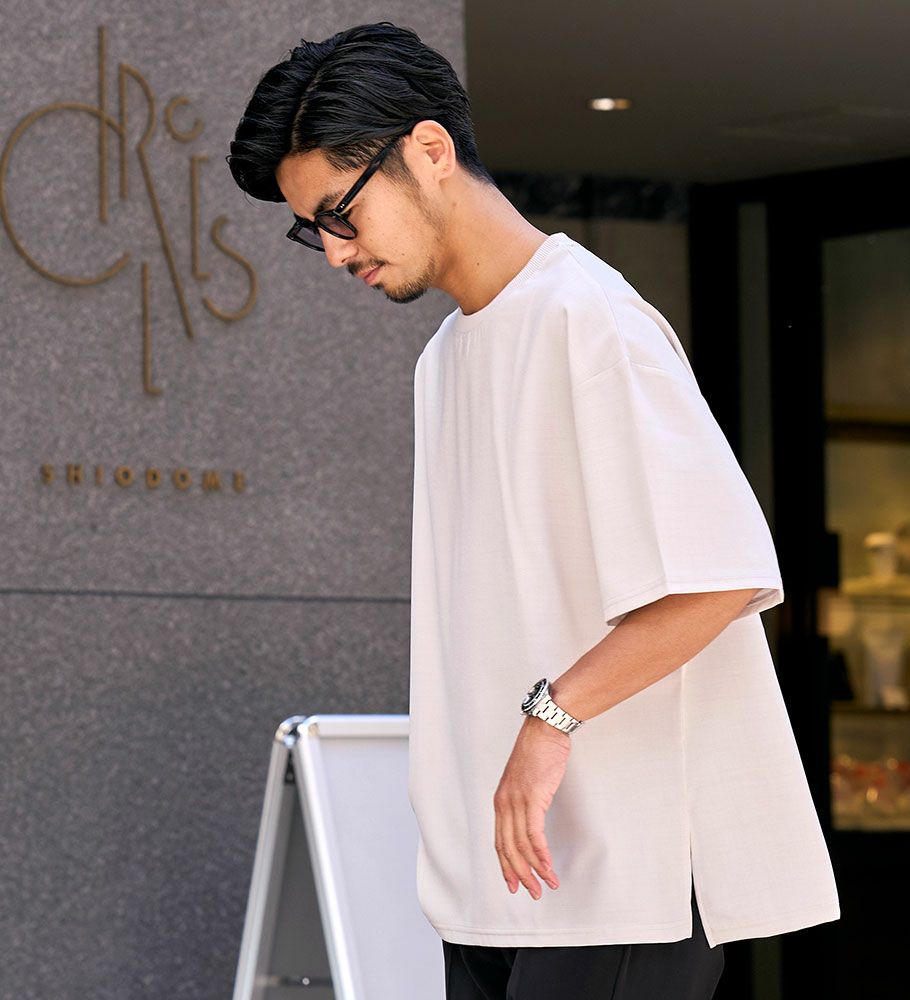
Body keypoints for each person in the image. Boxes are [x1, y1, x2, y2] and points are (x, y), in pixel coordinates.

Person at [227, 21, 841, 999]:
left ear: (430, 151)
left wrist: (548, 721)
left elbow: (720, 577)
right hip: (498, 879)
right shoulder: (446, 359)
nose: (335, 254)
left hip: (624, 874)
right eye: (314, 230)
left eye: (341, 214)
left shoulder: (588, 320)